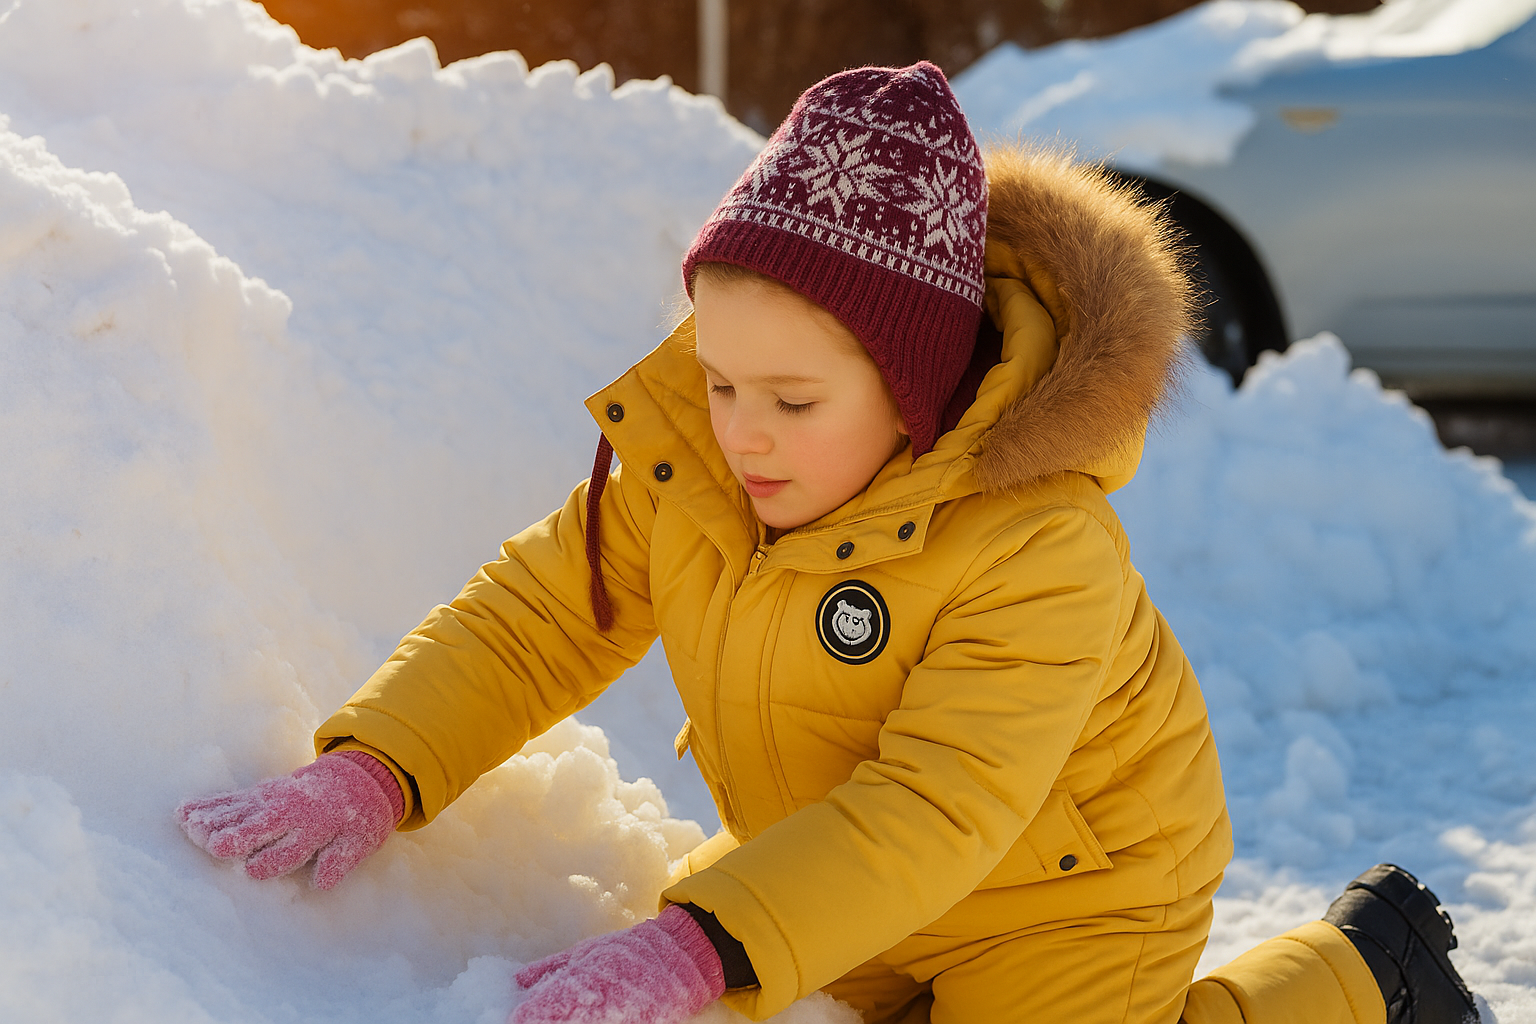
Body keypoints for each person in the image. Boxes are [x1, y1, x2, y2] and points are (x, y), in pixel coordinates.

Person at [176, 62, 1480, 1024]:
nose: (741, 433)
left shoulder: (1037, 548)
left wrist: (706, 942)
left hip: (1077, 884)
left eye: (793, 401)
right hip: (846, 847)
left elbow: (939, 807)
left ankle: (1366, 976)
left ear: (913, 392)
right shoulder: (706, 470)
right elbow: (539, 616)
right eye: (722, 379)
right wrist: (377, 767)